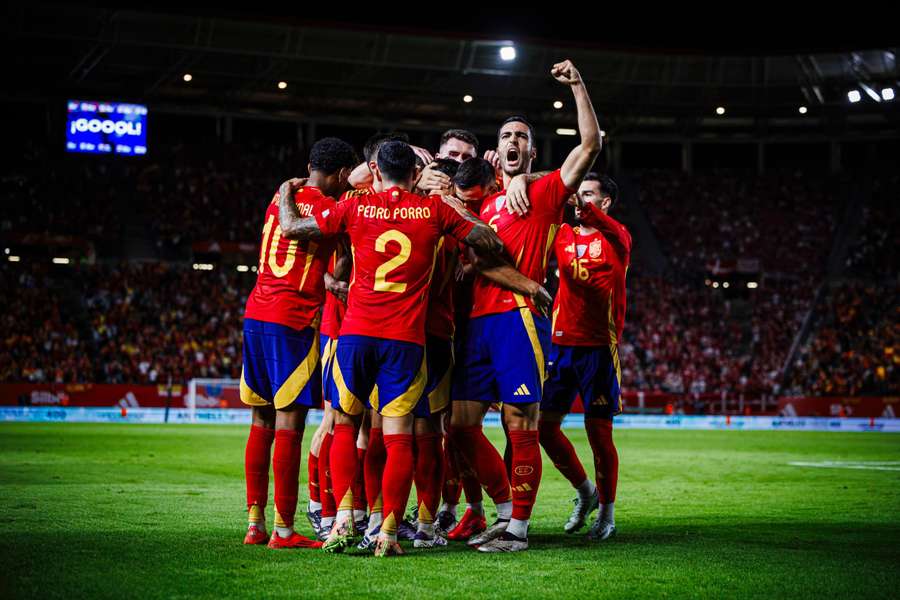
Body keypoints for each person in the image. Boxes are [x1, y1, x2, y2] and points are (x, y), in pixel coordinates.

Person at [275, 140, 544, 557]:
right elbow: (488, 240)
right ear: (416, 175)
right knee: (409, 435)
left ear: (377, 173)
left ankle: (344, 518)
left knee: (346, 425)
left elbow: (293, 228)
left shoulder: (355, 206)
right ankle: (391, 531)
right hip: (408, 338)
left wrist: (287, 195)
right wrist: (455, 206)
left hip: (357, 334)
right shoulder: (436, 211)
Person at [448, 59, 602, 552]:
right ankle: (505, 509)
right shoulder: (485, 203)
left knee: (520, 420)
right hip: (476, 322)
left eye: (521, 136)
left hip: (518, 320)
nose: (513, 140)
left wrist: (577, 85)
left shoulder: (547, 188)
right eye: (506, 135)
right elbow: (474, 259)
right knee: (461, 424)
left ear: (531, 150)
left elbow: (591, 145)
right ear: (497, 151)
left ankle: (517, 530)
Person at [240, 137, 356, 549]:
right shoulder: (331, 208)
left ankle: (255, 523)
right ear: (342, 174)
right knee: (289, 424)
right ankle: (284, 531)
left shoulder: (279, 197)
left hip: (255, 313)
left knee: (261, 421)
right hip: (292, 321)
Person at [538, 173, 630, 541]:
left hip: (599, 349)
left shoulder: (617, 239)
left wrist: (586, 209)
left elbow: (611, 231)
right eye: (577, 194)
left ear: (605, 202)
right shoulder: (563, 235)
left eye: (588, 195)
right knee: (544, 428)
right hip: (561, 346)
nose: (578, 200)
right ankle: (585, 491)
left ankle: (606, 514)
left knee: (599, 435)